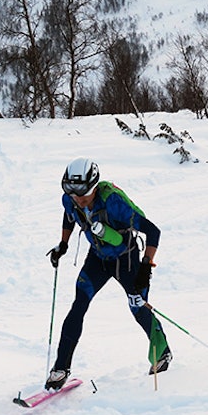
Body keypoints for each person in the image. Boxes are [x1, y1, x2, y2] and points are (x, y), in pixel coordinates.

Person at [45, 157, 171, 389]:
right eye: (74, 196)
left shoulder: (113, 202)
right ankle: (60, 369)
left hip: (128, 260)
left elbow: (153, 232)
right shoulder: (72, 199)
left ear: (94, 187)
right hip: (98, 258)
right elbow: (69, 216)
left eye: (83, 197)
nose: (79, 202)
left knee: (138, 307)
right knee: (78, 305)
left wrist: (146, 267)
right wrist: (63, 244)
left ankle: (162, 353)